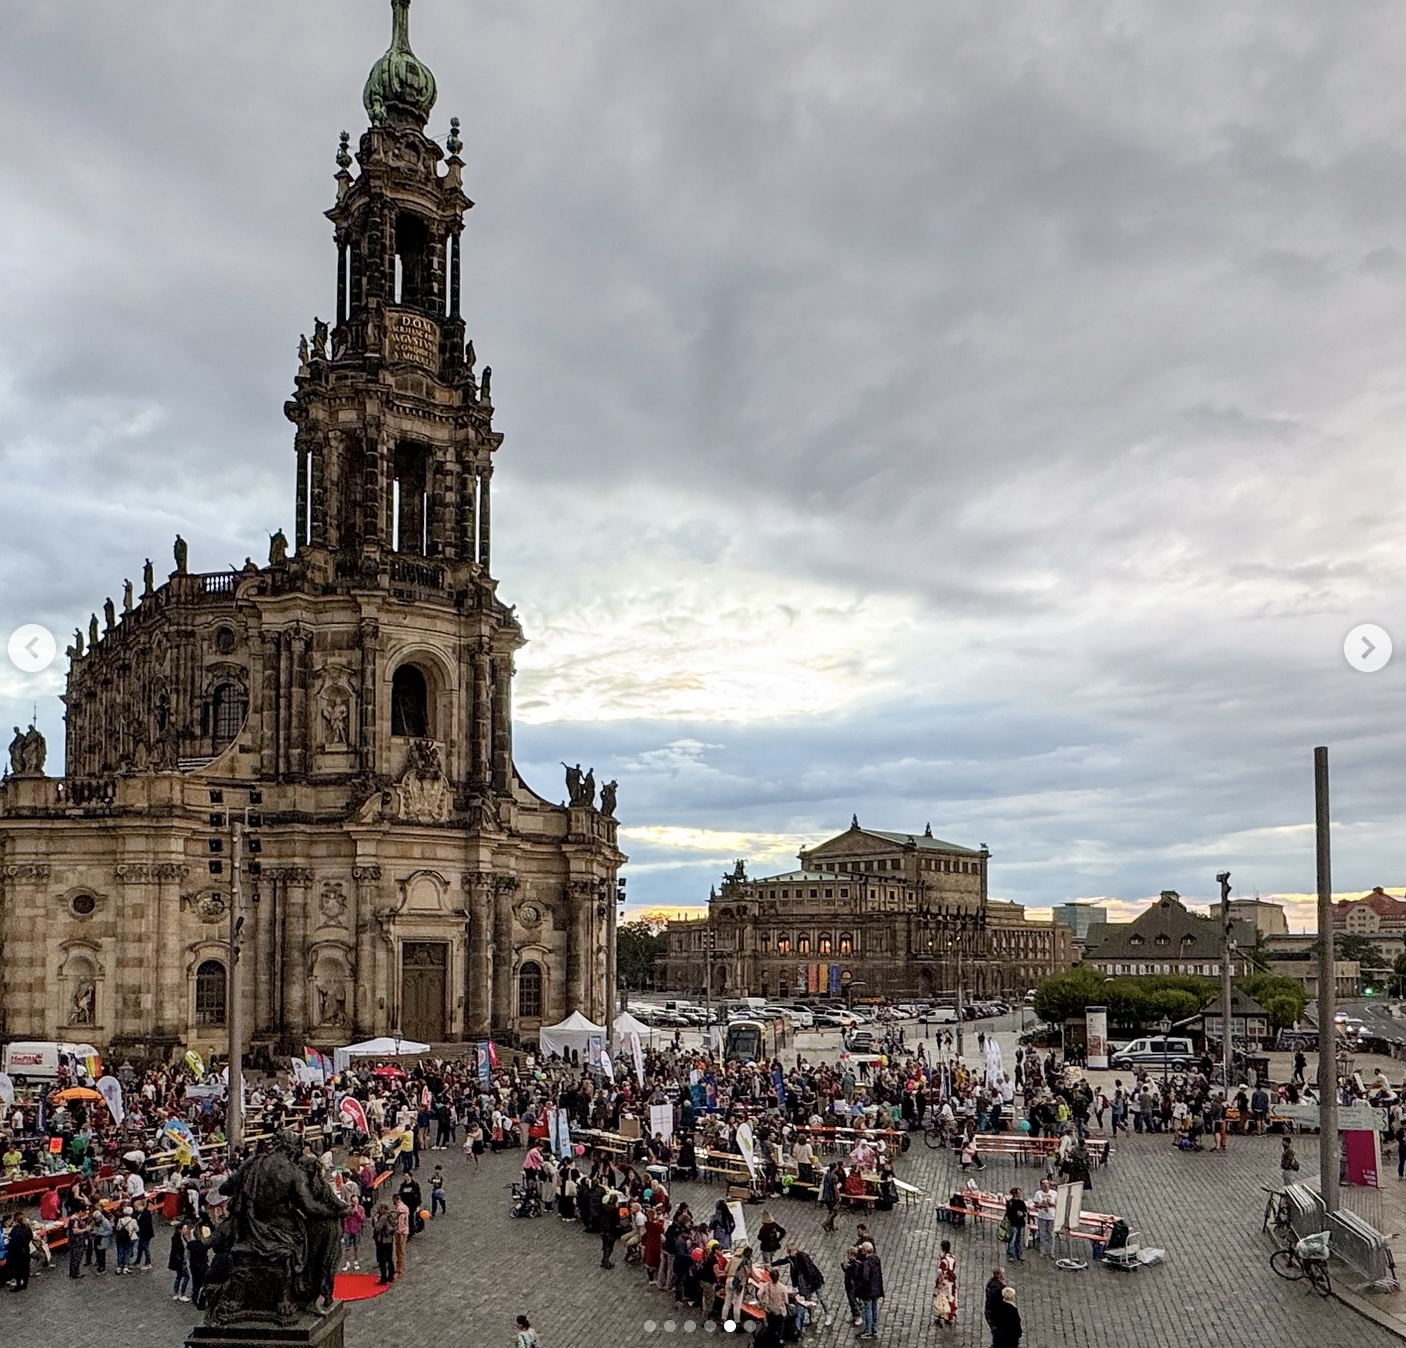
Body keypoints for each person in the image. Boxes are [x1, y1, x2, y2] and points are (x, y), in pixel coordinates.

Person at [855, 1240, 883, 1340]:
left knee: (867, 1310)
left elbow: (865, 1277)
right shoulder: (876, 1259)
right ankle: (874, 1328)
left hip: (868, 1290)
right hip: (876, 1288)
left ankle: (868, 1330)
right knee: (874, 1308)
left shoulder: (866, 1263)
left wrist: (859, 1287)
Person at [932, 1237, 957, 1327]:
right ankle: (950, 1316)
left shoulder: (943, 1261)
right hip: (952, 1282)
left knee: (942, 1299)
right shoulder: (953, 1258)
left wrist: (938, 1284)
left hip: (944, 1282)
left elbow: (940, 1273)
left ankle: (942, 1316)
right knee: (951, 1298)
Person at [6, 1214, 32, 1293]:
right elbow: (30, 1237)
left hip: (16, 1253)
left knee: (17, 1269)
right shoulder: (27, 1228)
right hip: (26, 1250)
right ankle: (25, 1283)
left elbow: (13, 1241)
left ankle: (18, 1284)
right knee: (25, 1268)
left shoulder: (16, 1230)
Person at [372, 1203, 397, 1285]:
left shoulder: (383, 1217)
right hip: (390, 1240)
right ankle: (391, 1276)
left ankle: (384, 1278)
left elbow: (377, 1227)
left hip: (382, 1241)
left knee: (382, 1260)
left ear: (383, 1209)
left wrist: (375, 1219)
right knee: (390, 1258)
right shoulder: (391, 1216)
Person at [1004, 1188, 1028, 1262]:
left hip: (1020, 1223)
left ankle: (1018, 1254)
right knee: (1012, 1240)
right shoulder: (1010, 1203)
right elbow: (1008, 1213)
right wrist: (1015, 1214)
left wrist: (1022, 1214)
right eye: (1019, 1192)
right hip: (1013, 1224)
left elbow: (1025, 1212)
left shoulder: (1021, 1202)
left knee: (1019, 1239)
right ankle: (1011, 1254)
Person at [169, 1221, 190, 1301]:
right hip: (180, 1261)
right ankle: (182, 1294)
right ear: (180, 1230)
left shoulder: (182, 1237)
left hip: (180, 1260)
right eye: (184, 1229)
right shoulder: (176, 1239)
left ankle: (176, 1292)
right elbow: (179, 1249)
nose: (186, 1230)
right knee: (186, 1277)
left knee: (179, 1276)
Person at [984, 1266, 1006, 1341]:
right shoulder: (1000, 1288)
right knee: (998, 1334)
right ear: (999, 1275)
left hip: (989, 1312)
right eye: (1003, 1273)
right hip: (995, 1315)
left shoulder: (990, 1283)